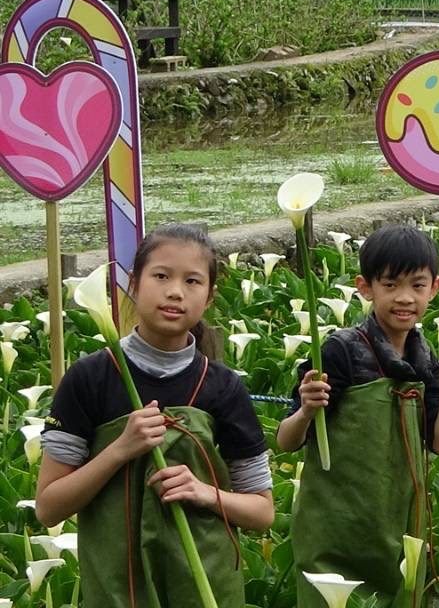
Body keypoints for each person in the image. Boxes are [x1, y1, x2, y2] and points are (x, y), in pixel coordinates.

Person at [36, 223, 275, 607]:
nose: (175, 291)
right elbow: (49, 507)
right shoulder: (91, 379)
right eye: (161, 275)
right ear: (134, 282)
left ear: (210, 297)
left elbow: (262, 512)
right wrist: (119, 449)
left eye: (193, 281)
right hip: (119, 587)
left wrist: (204, 493)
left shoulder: (223, 387)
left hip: (206, 586)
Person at [278, 224, 439, 608]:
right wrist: (305, 409)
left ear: (435, 288)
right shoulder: (340, 352)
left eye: (417, 286)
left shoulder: (425, 361)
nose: (405, 298)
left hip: (400, 526)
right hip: (336, 531)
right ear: (365, 287)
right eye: (390, 285)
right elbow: (286, 440)